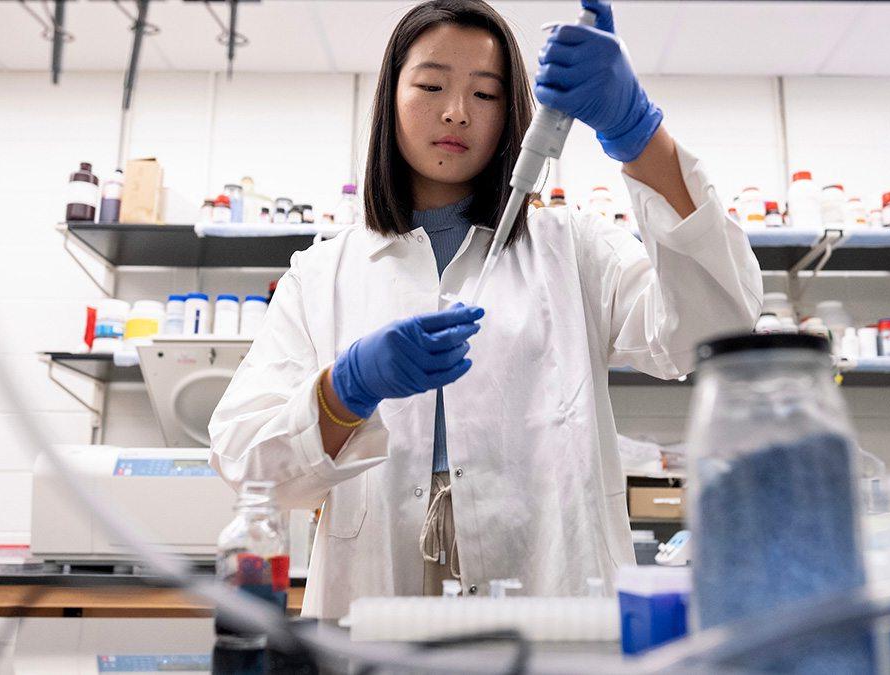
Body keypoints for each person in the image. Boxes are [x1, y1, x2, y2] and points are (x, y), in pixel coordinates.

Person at [209, 0, 762, 619]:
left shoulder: (572, 248)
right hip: (375, 600)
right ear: (390, 97)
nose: (456, 112)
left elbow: (716, 330)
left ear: (515, 117)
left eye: (487, 94)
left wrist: (641, 138)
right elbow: (250, 464)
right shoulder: (321, 274)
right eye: (431, 85)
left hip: (554, 596)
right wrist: (345, 389)